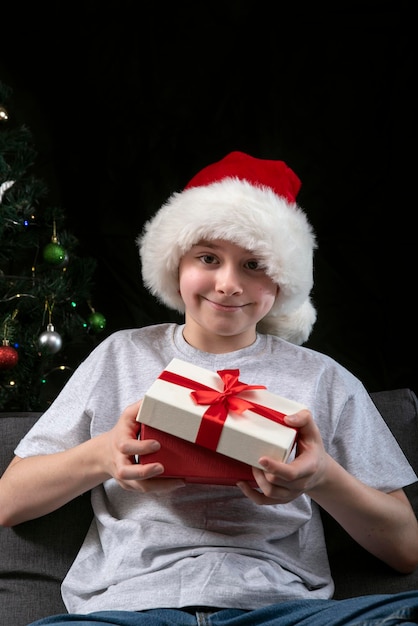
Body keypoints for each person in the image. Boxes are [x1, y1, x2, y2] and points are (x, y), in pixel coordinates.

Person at [1, 150, 418, 626]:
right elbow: (8, 502)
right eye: (208, 258)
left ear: (283, 281)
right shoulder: (120, 355)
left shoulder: (324, 378)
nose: (227, 284)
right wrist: (104, 455)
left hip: (282, 611)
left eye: (254, 265)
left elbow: (406, 549)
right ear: (176, 263)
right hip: (129, 609)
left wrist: (321, 476)